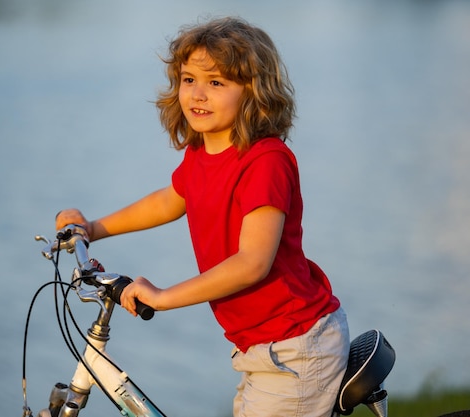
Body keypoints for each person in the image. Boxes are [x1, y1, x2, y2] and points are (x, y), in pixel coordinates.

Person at [55, 16, 349, 417]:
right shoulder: (200, 154)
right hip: (257, 346)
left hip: (295, 346)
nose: (198, 94)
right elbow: (168, 201)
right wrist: (93, 229)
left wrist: (163, 297)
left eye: (216, 83)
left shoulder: (266, 162)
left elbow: (253, 263)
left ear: (254, 92)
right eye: (189, 79)